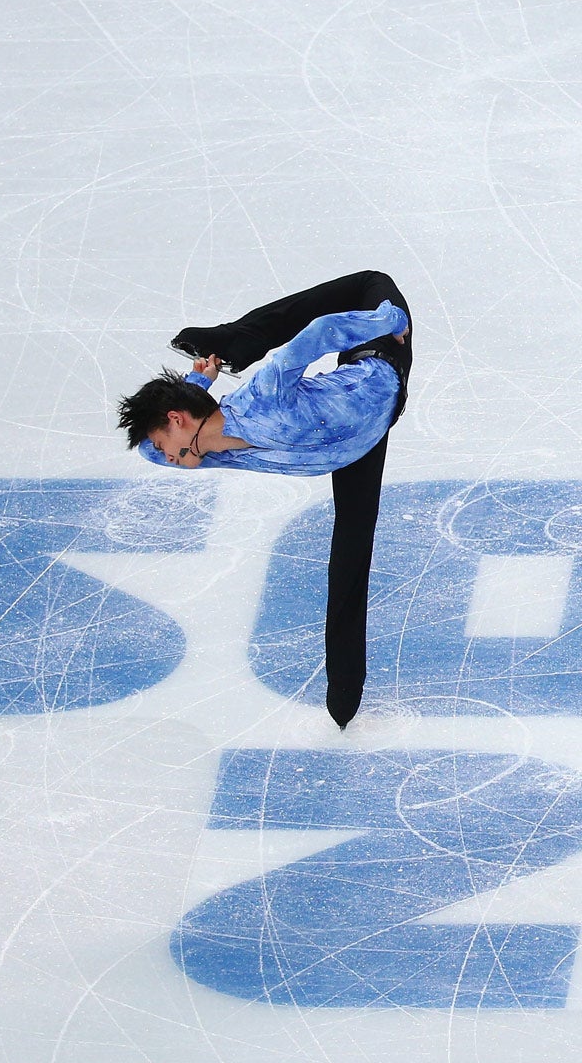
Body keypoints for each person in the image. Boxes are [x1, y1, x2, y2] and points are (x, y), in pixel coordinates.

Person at [116, 271, 414, 728]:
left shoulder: (261, 397)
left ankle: (233, 338)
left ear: (176, 419)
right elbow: (148, 451)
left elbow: (318, 334)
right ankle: (345, 697)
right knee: (350, 553)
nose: (166, 456)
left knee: (369, 283)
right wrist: (197, 388)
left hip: (380, 356)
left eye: (164, 437)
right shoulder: (206, 454)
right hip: (355, 445)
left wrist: (387, 321)